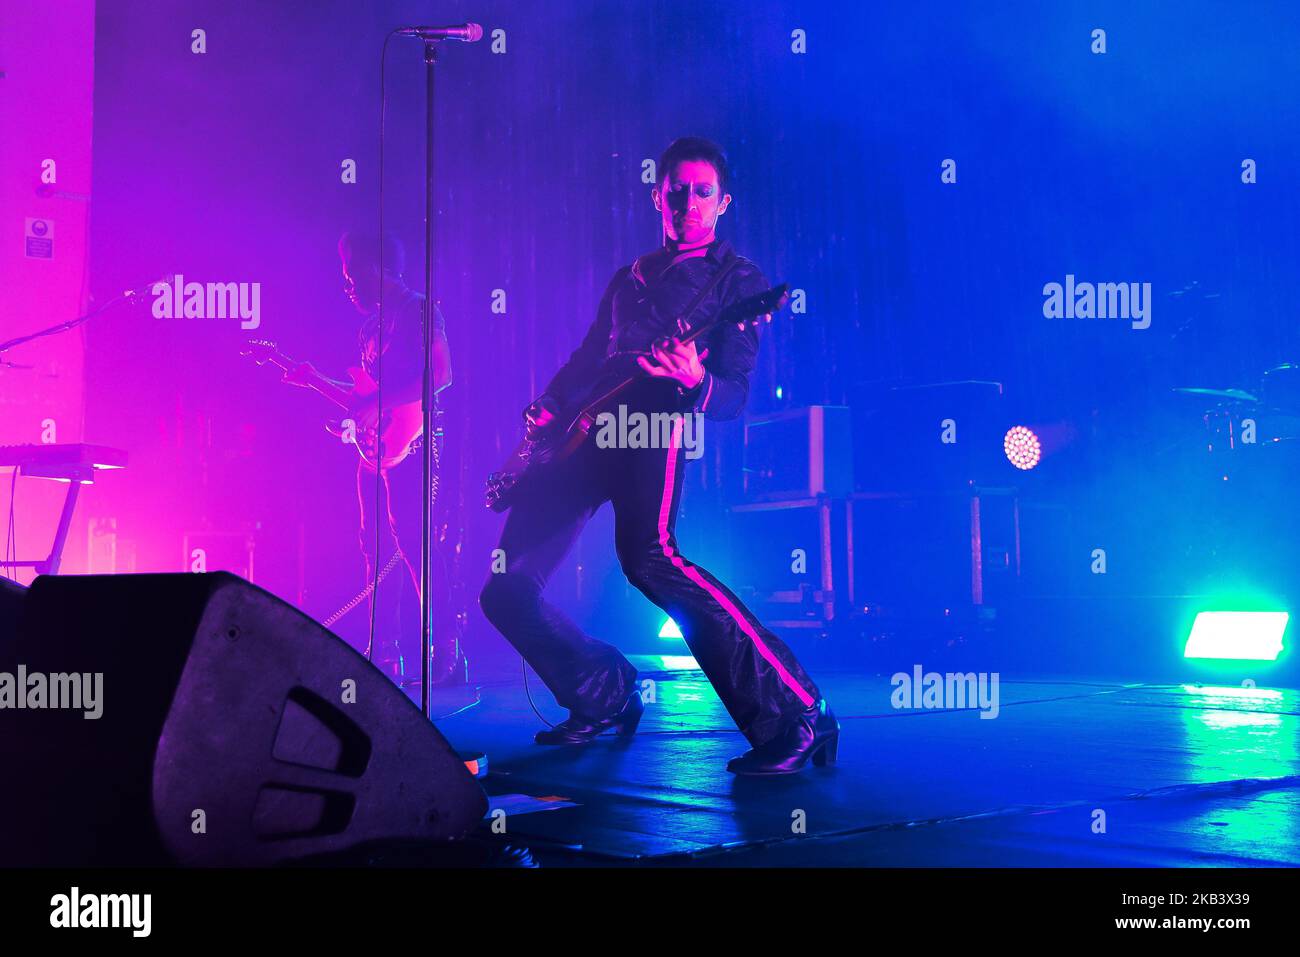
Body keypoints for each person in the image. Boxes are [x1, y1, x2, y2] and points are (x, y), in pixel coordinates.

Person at [479, 138, 837, 774]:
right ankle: (604, 692)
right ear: (657, 195)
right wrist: (545, 411)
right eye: (676, 189)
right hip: (584, 434)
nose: (688, 202)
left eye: (702, 192)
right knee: (505, 589)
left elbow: (733, 397)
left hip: (654, 428)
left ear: (723, 203)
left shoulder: (739, 284)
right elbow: (589, 359)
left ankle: (795, 710)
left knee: (650, 559)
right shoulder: (631, 278)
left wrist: (695, 381)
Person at [286, 231, 464, 686]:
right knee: (375, 549)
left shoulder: (420, 308)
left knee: (416, 546)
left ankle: (447, 650)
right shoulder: (370, 327)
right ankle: (383, 653)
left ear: (377, 270)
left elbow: (440, 375)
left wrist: (377, 403)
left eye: (352, 277)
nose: (348, 287)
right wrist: (313, 381)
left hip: (418, 441)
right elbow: (364, 396)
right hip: (377, 452)